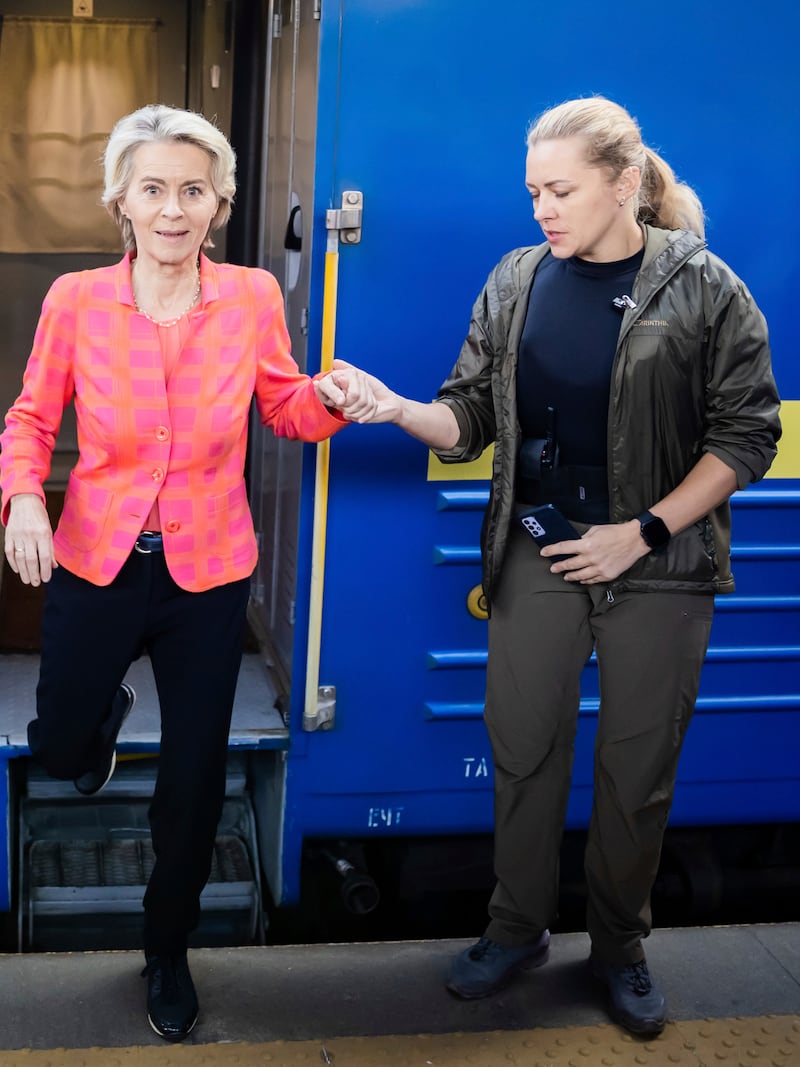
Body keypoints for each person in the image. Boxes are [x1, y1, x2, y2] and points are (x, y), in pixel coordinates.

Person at [322, 96, 781, 1038]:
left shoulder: (705, 287)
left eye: (561, 189)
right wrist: (394, 407)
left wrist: (641, 531)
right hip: (538, 553)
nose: (543, 208)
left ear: (623, 182)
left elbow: (748, 435)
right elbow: (470, 416)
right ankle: (516, 928)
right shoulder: (517, 279)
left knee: (636, 767)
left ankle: (619, 945)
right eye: (533, 190)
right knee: (523, 748)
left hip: (658, 566)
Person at [0, 104, 348, 1041]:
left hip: (206, 571)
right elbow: (32, 420)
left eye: (193, 189)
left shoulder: (250, 299)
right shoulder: (76, 300)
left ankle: (167, 946)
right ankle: (98, 720)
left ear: (221, 202)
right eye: (152, 188)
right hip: (98, 559)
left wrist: (332, 399)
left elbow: (284, 409)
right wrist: (25, 498)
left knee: (193, 775)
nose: (172, 208)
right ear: (120, 198)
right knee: (61, 747)